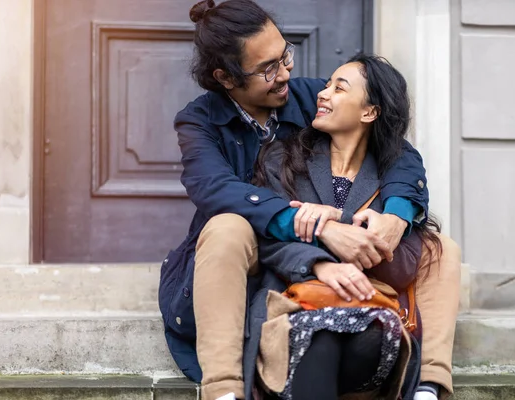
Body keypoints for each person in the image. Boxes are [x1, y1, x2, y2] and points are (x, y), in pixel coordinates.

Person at [157, 1, 461, 400]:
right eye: (269, 68)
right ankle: (223, 390)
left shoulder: (304, 97)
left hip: (307, 263)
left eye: (285, 55)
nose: (286, 72)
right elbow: (214, 189)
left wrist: (397, 214)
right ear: (226, 78)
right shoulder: (198, 121)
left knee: (441, 248)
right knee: (227, 224)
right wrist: (321, 231)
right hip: (249, 258)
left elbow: (395, 148)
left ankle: (429, 386)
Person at [251, 53, 441, 400]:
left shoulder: (394, 178)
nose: (323, 94)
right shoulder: (283, 159)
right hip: (297, 306)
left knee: (356, 333)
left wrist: (345, 227)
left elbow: (405, 264)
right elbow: (265, 240)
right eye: (326, 85)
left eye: (339, 88)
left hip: (367, 312)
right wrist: (318, 262)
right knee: (320, 337)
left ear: (369, 112)